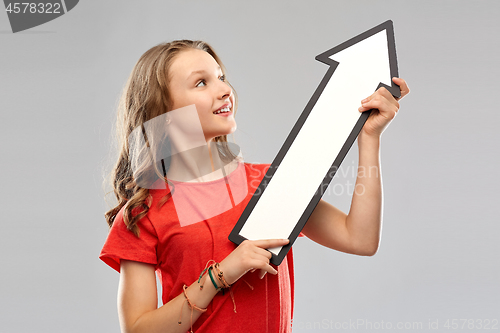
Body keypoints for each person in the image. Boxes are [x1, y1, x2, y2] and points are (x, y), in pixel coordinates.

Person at [100, 40, 410, 333]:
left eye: (221, 77)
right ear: (165, 114)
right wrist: (222, 274)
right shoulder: (143, 213)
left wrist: (369, 138)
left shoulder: (269, 184)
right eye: (201, 83)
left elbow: (360, 239)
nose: (224, 90)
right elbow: (139, 328)